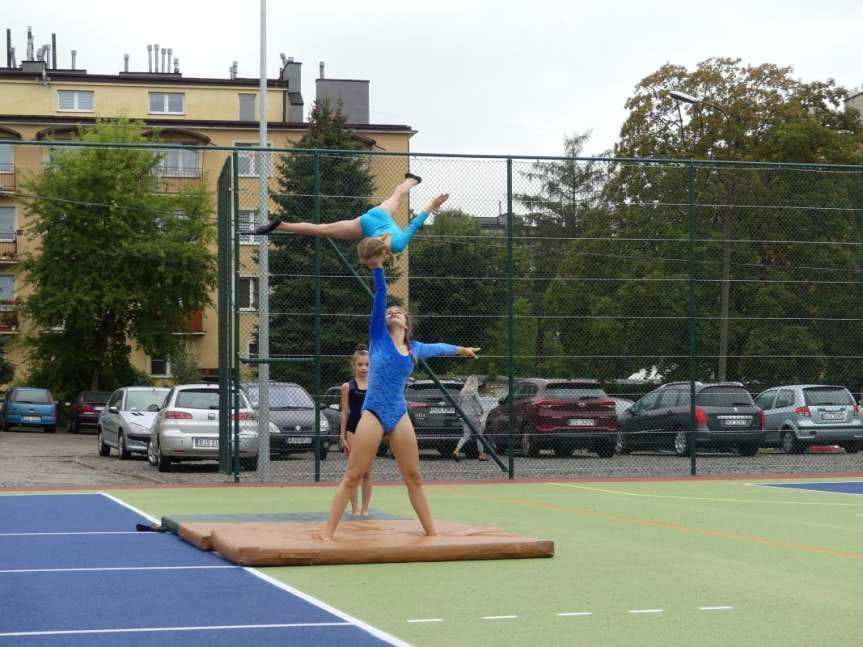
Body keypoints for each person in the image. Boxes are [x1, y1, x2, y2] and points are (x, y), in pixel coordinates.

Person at [323, 237, 480, 540]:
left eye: (398, 312)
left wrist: (463, 350)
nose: (392, 312)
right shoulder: (378, 337)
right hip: (373, 412)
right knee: (354, 475)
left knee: (414, 477)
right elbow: (381, 295)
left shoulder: (415, 348)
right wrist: (378, 267)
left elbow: (441, 348)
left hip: (398, 413)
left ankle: (431, 533)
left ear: (407, 323)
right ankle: (327, 534)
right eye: (390, 312)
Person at [254, 173, 449, 254]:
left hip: (379, 213)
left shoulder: (397, 243)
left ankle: (411, 181)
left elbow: (415, 224)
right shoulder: (394, 246)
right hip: (362, 225)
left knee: (396, 197)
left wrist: (433, 203)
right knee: (321, 230)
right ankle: (282, 226)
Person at [340, 345, 372, 516]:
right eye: (360, 365)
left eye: (367, 364)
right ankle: (355, 509)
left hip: (371, 431)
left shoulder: (375, 385)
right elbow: (344, 412)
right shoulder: (347, 387)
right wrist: (342, 435)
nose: (364, 368)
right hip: (353, 431)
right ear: (354, 366)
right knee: (353, 472)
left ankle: (365, 509)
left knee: (367, 472)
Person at [452, 375, 490, 461]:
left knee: (466, 435)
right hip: (473, 415)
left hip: (464, 415)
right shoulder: (474, 391)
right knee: (479, 435)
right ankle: (481, 454)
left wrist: (459, 414)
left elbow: (459, 404)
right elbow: (478, 402)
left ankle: (456, 450)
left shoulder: (462, 391)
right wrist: (482, 411)